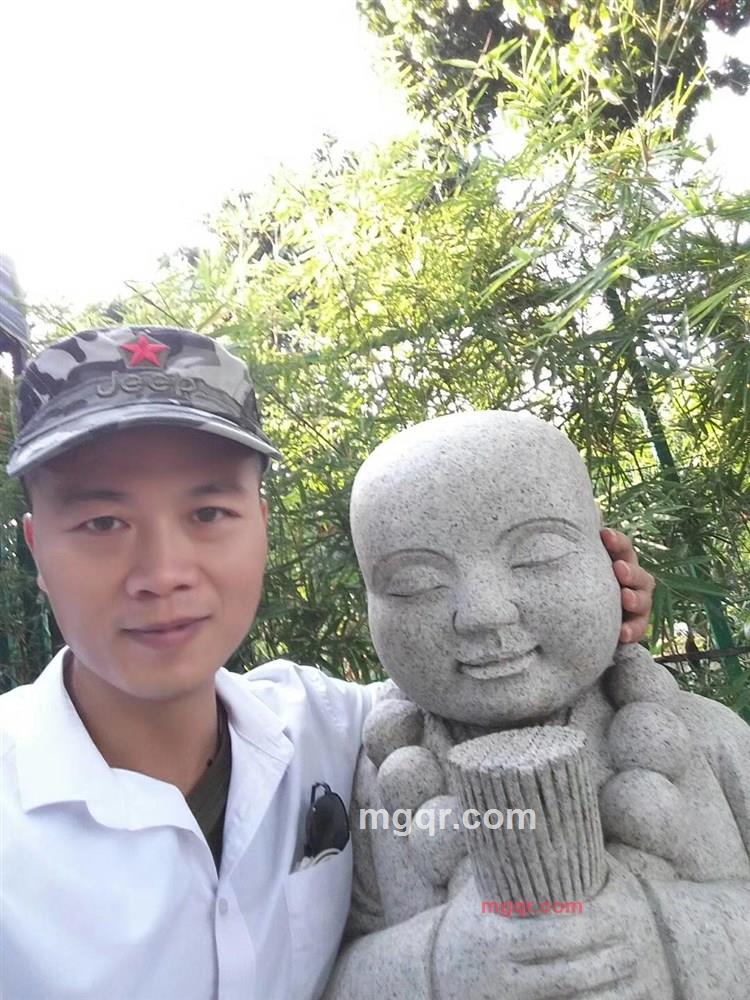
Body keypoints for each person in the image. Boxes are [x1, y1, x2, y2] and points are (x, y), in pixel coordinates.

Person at [1, 326, 655, 1000]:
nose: (163, 573)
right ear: (37, 549)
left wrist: (588, 604)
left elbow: (483, 683)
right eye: (102, 524)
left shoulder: (335, 731)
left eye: (209, 512)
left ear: (260, 525)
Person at [324, 410, 750, 1000]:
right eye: (414, 583)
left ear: (611, 559)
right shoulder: (376, 785)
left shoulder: (711, 739)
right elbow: (327, 968)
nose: (484, 613)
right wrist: (438, 960)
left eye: (539, 554)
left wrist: (666, 930)